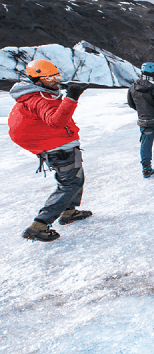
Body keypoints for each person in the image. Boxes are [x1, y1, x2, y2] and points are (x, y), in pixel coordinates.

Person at [7, 60, 92, 241]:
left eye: (57, 76)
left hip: (60, 144)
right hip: (58, 148)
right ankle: (39, 225)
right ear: (37, 80)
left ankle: (69, 211)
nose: (56, 80)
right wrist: (72, 97)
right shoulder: (39, 99)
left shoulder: (40, 94)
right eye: (50, 77)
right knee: (70, 184)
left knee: (76, 177)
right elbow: (56, 121)